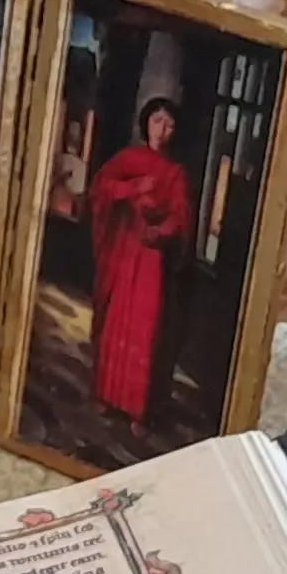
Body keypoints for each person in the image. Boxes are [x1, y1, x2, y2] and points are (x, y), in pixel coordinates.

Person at [87, 96, 191, 421]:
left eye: (170, 124)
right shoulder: (128, 158)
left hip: (150, 259)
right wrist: (132, 187)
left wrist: (160, 232)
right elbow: (101, 189)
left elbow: (181, 216)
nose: (162, 129)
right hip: (123, 249)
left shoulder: (175, 173)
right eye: (157, 121)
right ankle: (107, 395)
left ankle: (137, 409)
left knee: (144, 330)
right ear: (146, 122)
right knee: (116, 320)